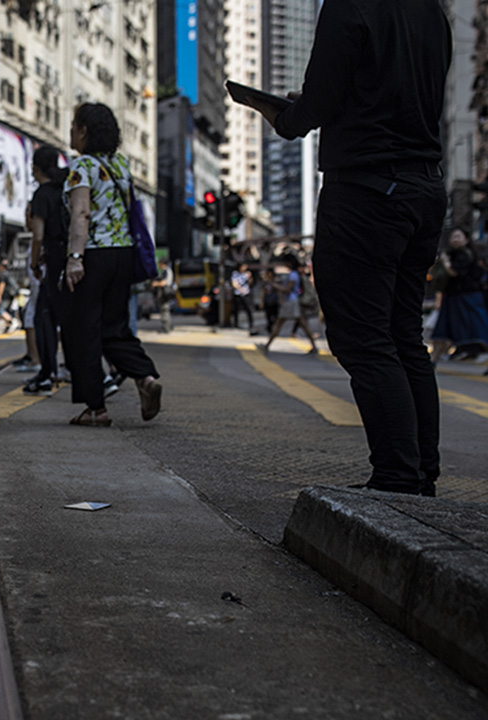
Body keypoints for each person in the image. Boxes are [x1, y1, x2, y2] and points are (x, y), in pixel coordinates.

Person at [244, 0, 451, 495]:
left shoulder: (349, 5)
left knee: (365, 339)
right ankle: (420, 474)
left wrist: (280, 110)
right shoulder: (433, 11)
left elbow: (312, 110)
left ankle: (397, 476)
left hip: (366, 191)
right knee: (404, 336)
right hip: (424, 189)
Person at [62, 102, 162, 426]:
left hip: (94, 254)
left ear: (84, 131)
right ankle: (145, 377)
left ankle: (96, 408)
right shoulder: (120, 165)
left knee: (84, 330)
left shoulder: (82, 167)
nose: (71, 132)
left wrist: (75, 258)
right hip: (123, 254)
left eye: (74, 125)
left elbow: (81, 214)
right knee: (115, 326)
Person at [25, 145, 70, 396]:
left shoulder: (42, 194)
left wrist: (34, 263)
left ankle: (47, 373)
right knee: (65, 318)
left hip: (53, 262)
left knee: (45, 317)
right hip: (69, 259)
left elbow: (38, 236)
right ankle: (60, 369)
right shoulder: (63, 189)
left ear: (36, 168)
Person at [431, 229, 488, 364]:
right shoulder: (454, 254)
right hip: (454, 297)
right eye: (453, 237)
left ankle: (437, 358)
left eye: (458, 236)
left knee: (474, 327)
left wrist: (445, 262)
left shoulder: (466, 255)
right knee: (448, 329)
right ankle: (436, 358)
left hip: (466, 297)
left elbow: (454, 272)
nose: (455, 240)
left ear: (466, 239)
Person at [261, 257, 318, 355]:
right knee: (302, 324)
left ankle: (267, 344)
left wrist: (274, 285)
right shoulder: (295, 274)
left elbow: (287, 289)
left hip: (291, 302)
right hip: (293, 302)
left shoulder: (293, 275)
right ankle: (314, 346)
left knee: (280, 323)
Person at [152, 258, 175, 334]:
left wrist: (155, 284)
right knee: (163, 310)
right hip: (164, 293)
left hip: (165, 293)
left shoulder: (166, 271)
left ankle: (166, 328)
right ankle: (165, 327)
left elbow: (164, 283)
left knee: (165, 310)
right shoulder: (165, 271)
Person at [0, 260, 19, 333]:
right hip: (11, 295)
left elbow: (2, 285)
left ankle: (13, 322)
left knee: (1, 311)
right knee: (7, 311)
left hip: (5, 295)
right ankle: (8, 326)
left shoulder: (3, 274)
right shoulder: (10, 274)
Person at [230, 262, 254, 332]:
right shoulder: (235, 273)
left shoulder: (247, 274)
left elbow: (250, 283)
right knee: (236, 309)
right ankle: (235, 323)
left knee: (248, 309)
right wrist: (241, 289)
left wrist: (250, 277)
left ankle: (251, 324)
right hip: (237, 294)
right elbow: (234, 283)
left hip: (246, 294)